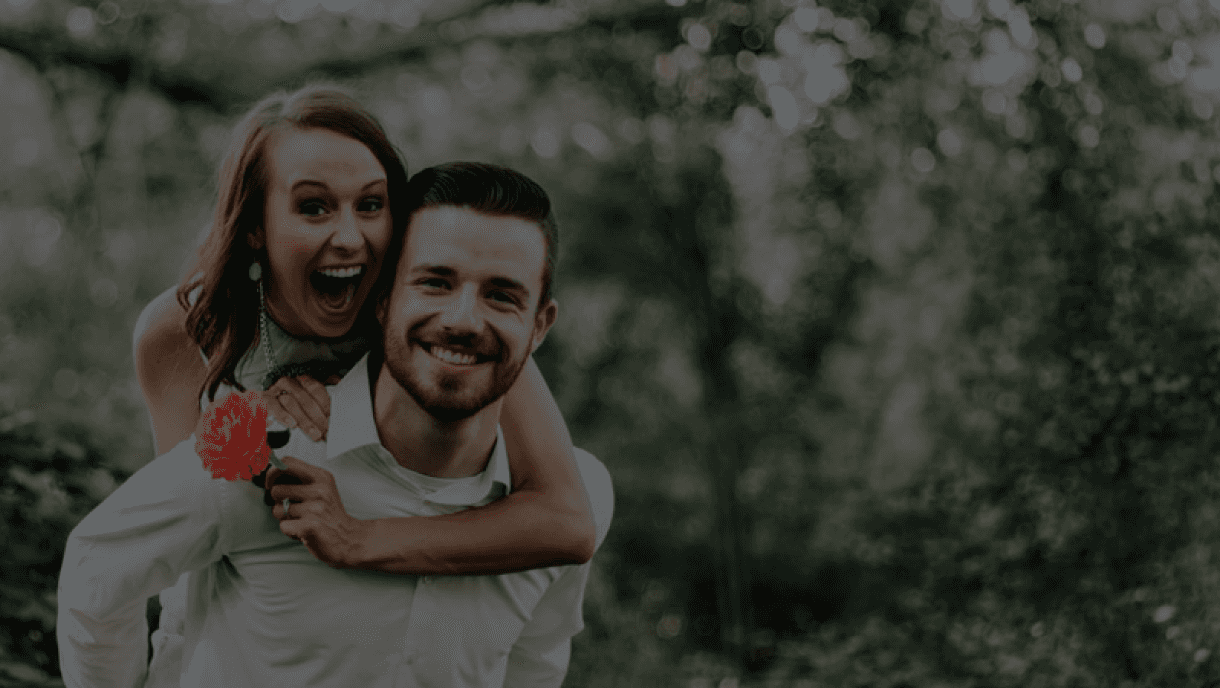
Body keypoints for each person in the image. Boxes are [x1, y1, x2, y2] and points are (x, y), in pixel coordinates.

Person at [58, 162, 615, 687]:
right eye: (435, 282)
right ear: (382, 300)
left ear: (540, 325)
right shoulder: (261, 444)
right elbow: (98, 569)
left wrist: (359, 538)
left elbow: (535, 661)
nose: (464, 319)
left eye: (501, 295)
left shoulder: (580, 491)